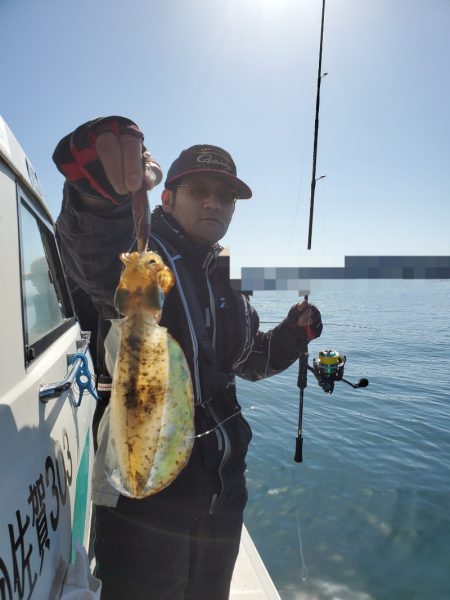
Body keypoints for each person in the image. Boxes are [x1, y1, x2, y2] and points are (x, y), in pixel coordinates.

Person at [53, 116, 323, 600]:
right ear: (166, 198)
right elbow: (95, 258)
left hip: (222, 488)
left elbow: (248, 361)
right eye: (199, 190)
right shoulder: (142, 255)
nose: (213, 203)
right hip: (145, 491)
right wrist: (100, 195)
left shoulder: (229, 280)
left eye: (225, 197)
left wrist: (290, 336)